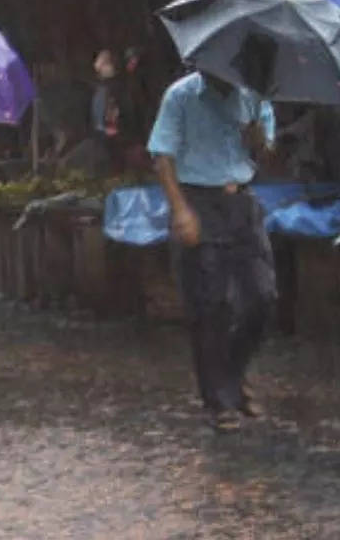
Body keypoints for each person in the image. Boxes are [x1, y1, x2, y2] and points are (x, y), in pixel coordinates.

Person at [147, 36, 278, 433]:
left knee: (263, 296)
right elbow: (162, 158)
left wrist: (257, 137)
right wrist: (181, 209)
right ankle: (219, 399)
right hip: (198, 200)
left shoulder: (252, 96)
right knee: (211, 304)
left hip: (241, 201)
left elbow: (266, 155)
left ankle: (233, 375)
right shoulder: (181, 96)